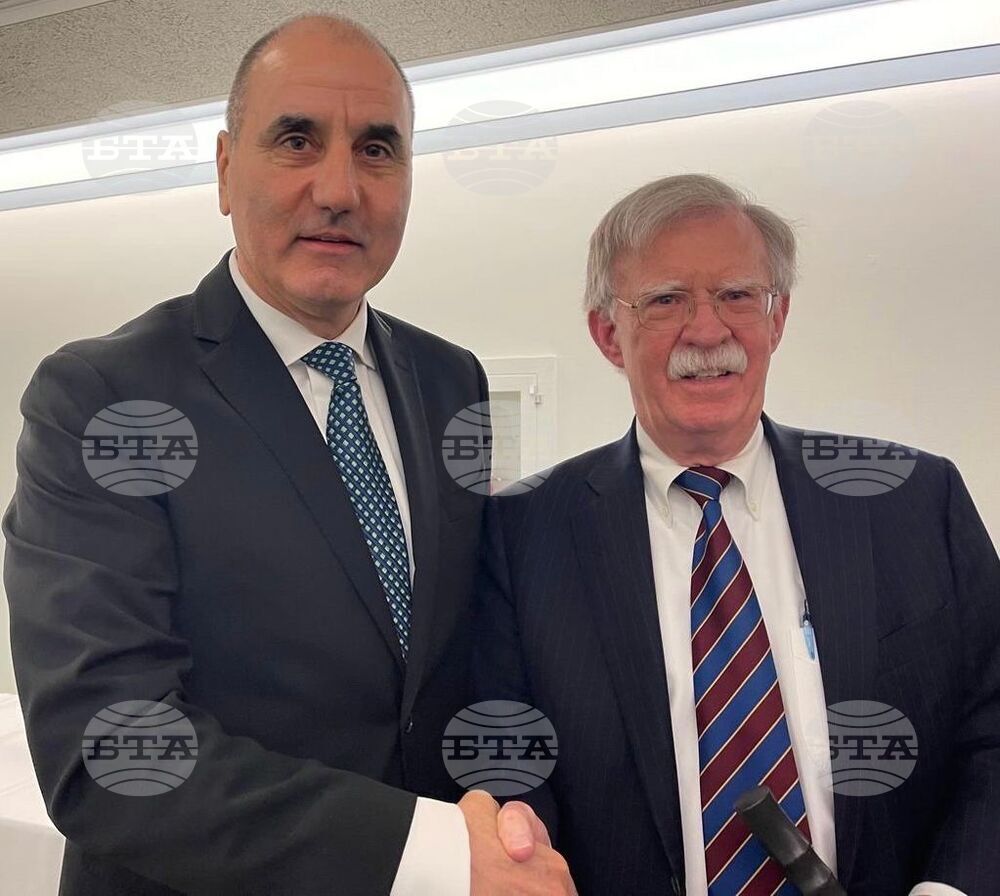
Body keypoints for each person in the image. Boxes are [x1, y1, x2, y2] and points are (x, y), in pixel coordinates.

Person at [3, 14, 571, 896]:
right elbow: (114, 751)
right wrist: (429, 853)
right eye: (297, 140)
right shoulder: (107, 397)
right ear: (226, 170)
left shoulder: (450, 381)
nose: (340, 189)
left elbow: (461, 659)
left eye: (377, 149)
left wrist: (514, 829)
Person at [476, 174, 1000, 895]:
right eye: (665, 300)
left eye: (737, 295)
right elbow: (508, 767)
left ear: (776, 319)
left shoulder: (912, 500)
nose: (707, 331)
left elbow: (990, 729)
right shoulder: (522, 536)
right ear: (607, 334)